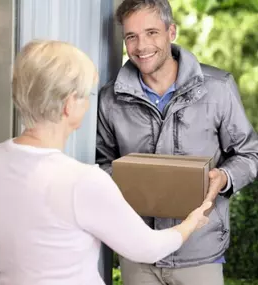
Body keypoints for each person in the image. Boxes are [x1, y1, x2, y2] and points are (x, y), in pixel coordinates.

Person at [0, 40, 211, 285]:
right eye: (86, 95)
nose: (89, 102)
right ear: (69, 105)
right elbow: (148, 248)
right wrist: (190, 223)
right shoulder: (81, 181)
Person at [96, 1, 258, 284]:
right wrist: (127, 180)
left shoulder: (217, 88)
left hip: (199, 251)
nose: (141, 46)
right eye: (131, 36)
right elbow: (101, 162)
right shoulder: (111, 98)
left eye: (151, 33)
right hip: (139, 250)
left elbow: (250, 153)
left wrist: (225, 176)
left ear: (171, 31)